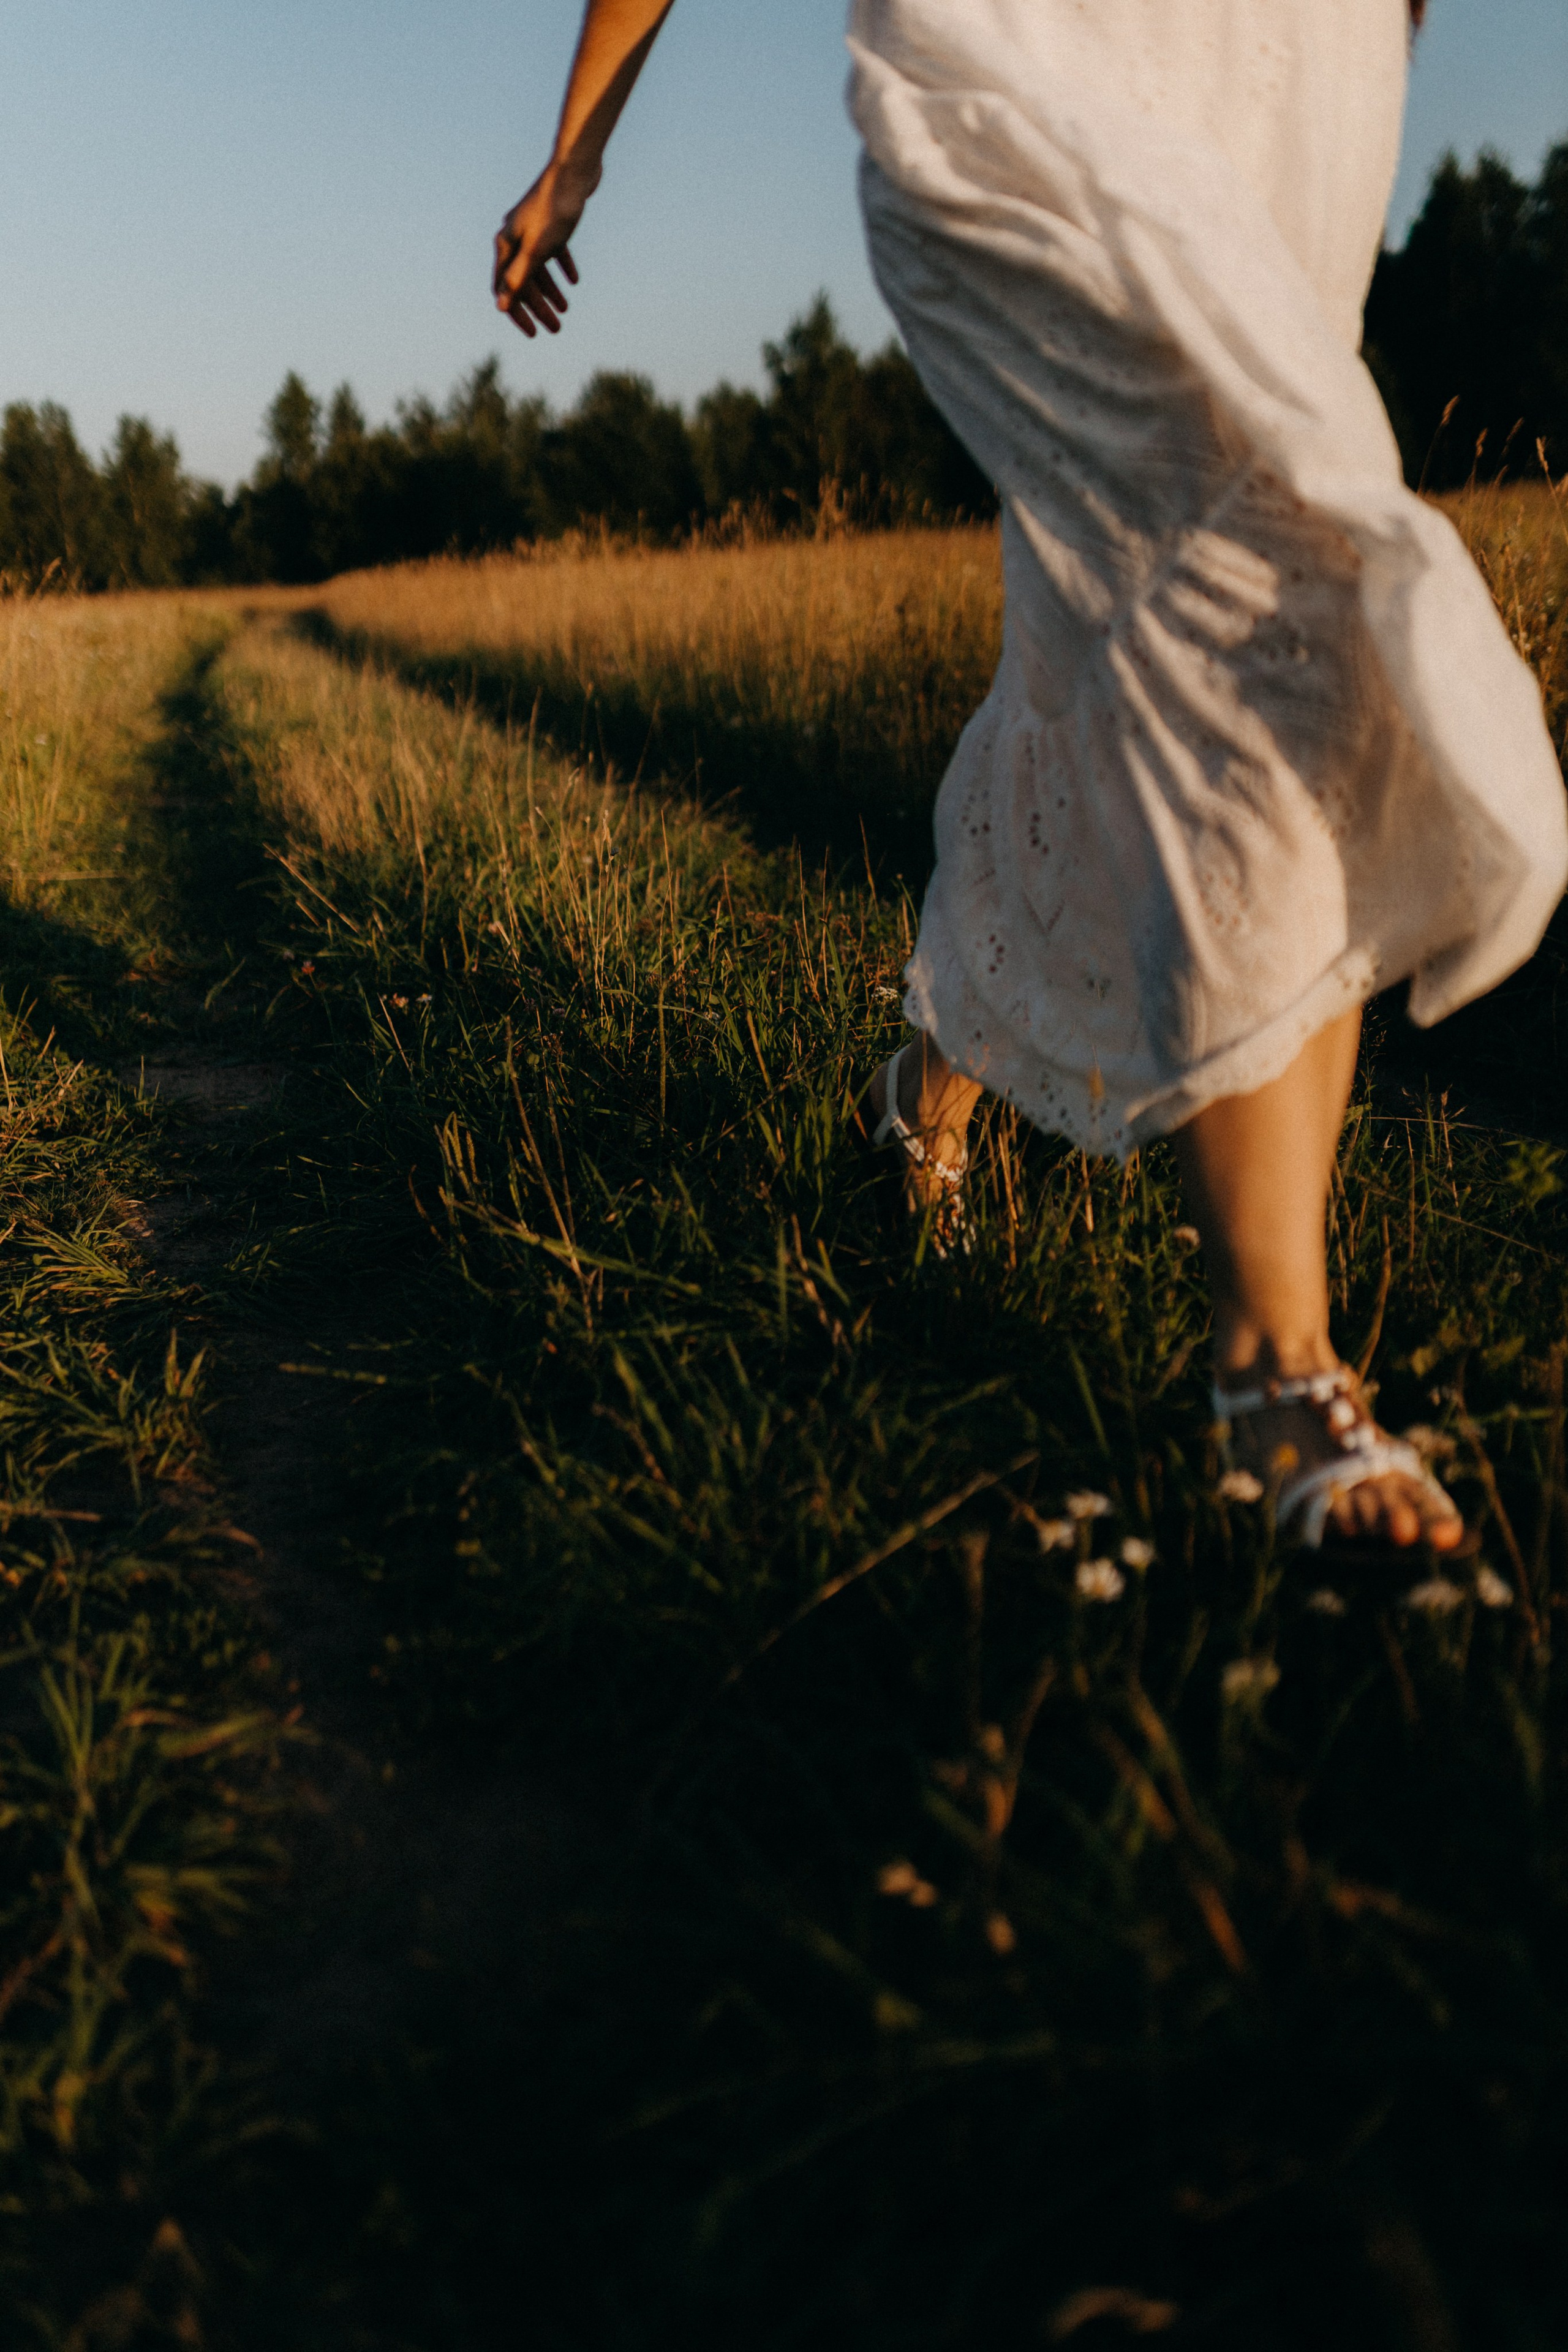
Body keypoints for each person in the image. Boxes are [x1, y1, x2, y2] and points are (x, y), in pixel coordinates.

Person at [494, 0, 1567, 1555]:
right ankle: (1274, 1384)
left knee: (1096, 632)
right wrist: (572, 159)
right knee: (1260, 593)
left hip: (1277, 86)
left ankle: (922, 1088)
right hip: (1017, 82)